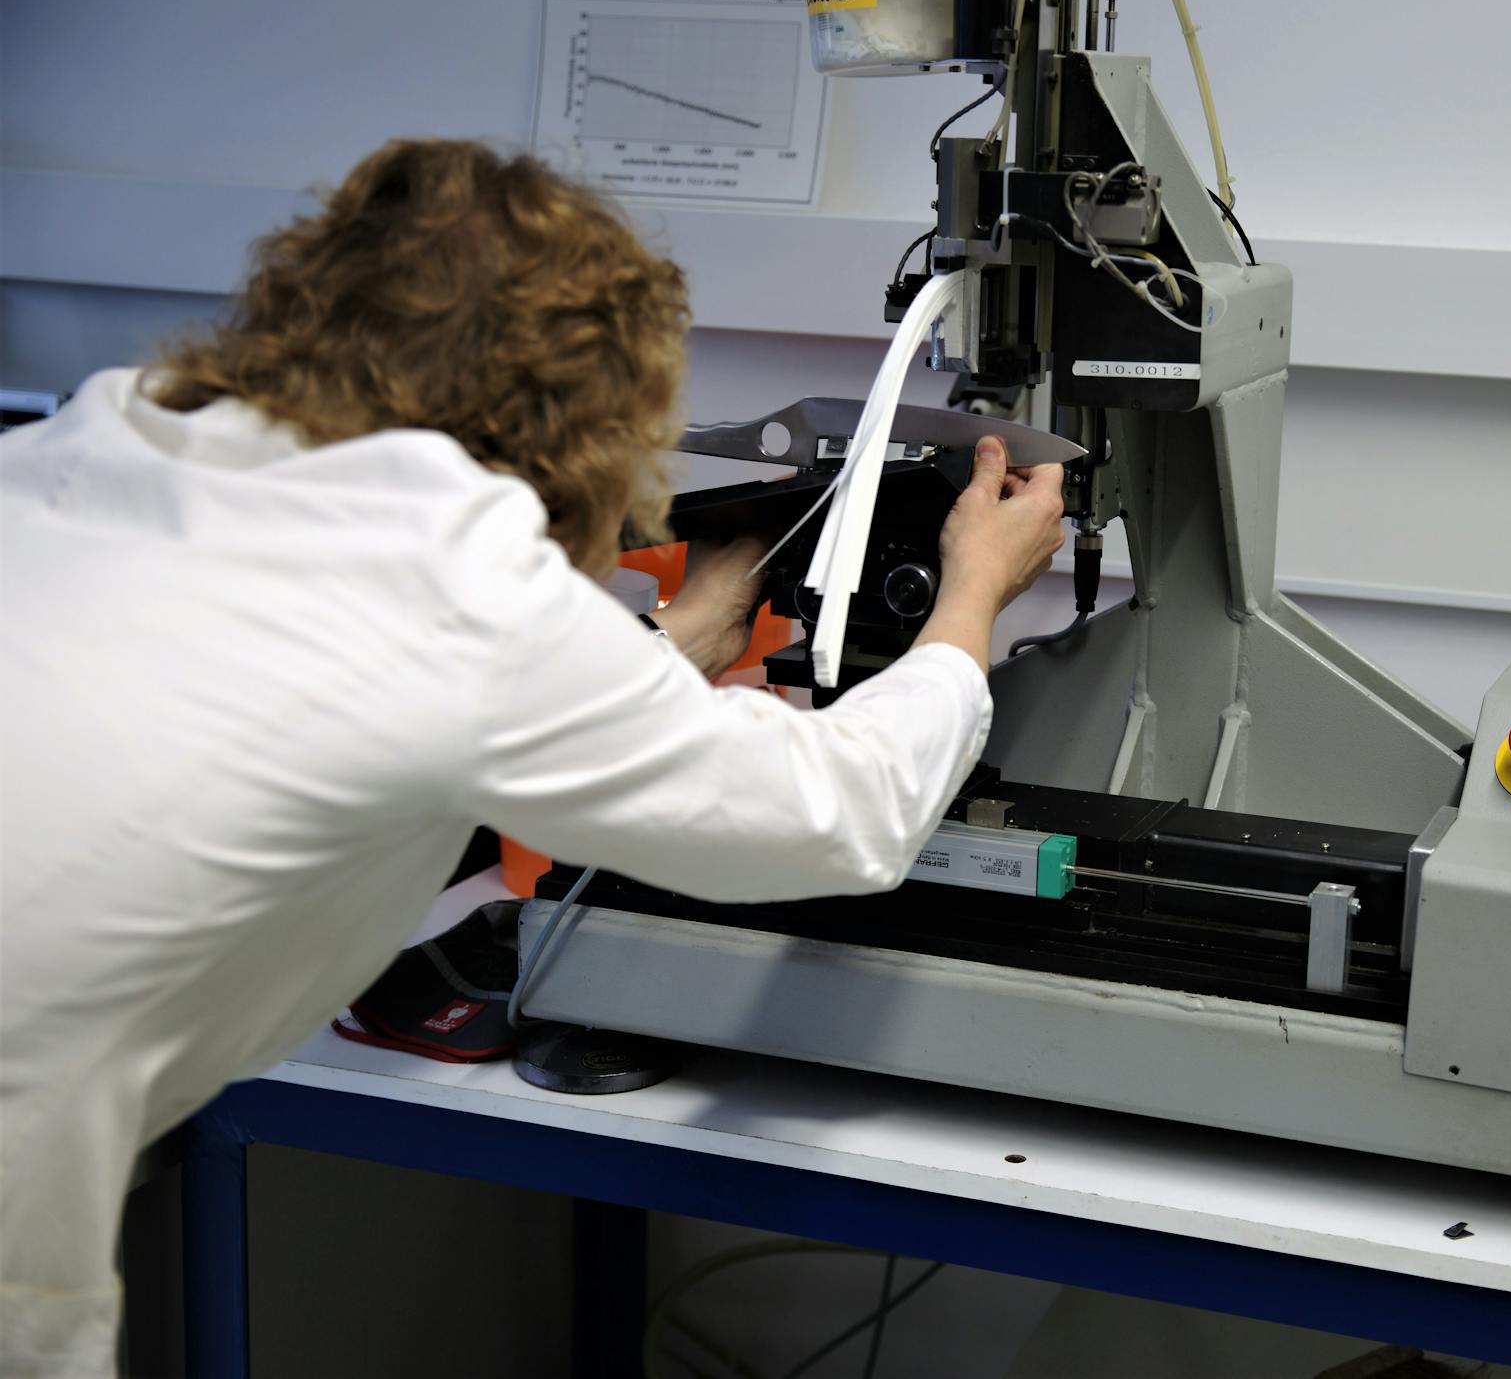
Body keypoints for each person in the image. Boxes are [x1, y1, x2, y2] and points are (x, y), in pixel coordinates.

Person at [0, 139, 1066, 1377]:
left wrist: (682, 634)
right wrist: (971, 602)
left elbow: (347, 705)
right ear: (583, 412)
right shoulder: (450, 579)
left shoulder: (86, 449)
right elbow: (843, 814)